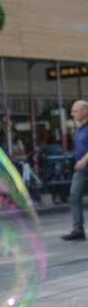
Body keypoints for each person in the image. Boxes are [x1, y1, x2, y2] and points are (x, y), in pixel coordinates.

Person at [62, 99, 88, 241]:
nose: (72, 114)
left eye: (75, 111)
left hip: (84, 166)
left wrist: (84, 160)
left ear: (85, 111)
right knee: (74, 197)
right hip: (81, 171)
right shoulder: (79, 127)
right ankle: (78, 230)